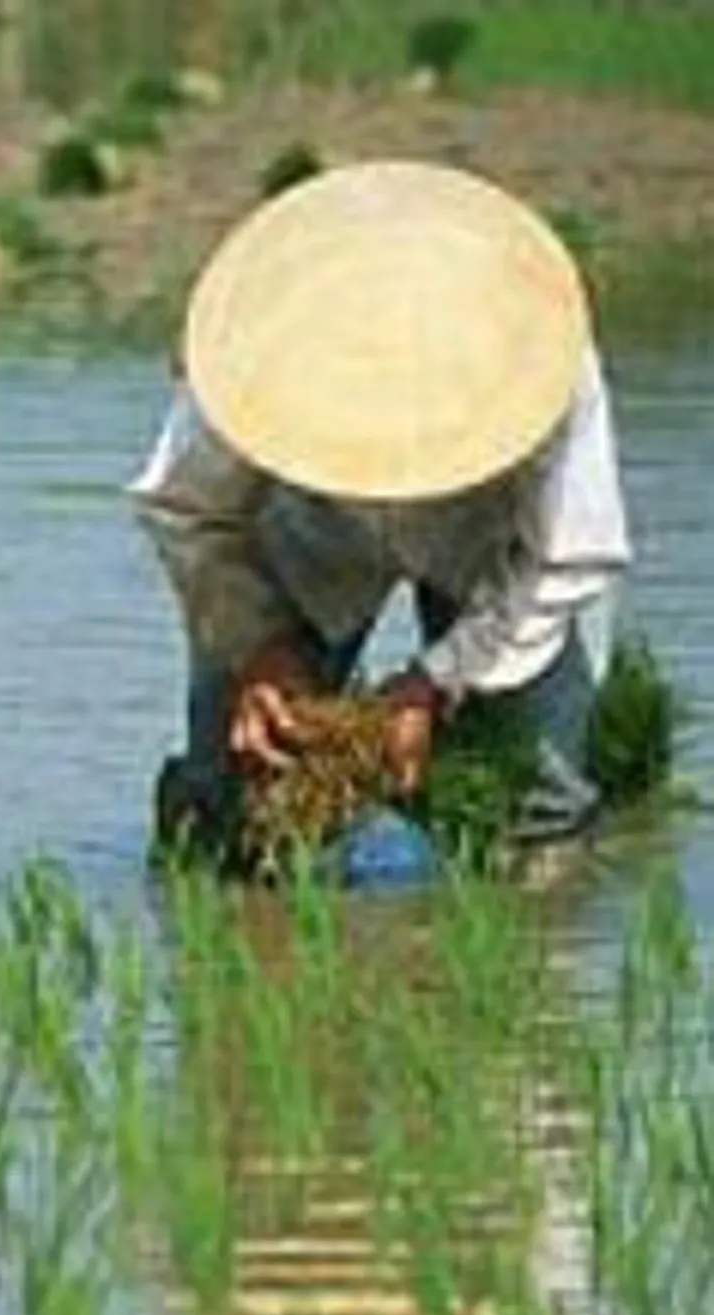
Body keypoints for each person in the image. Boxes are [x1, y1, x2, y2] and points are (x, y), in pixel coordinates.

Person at [132, 160, 630, 859]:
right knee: (229, 803)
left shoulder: (539, 355)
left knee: (540, 799)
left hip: (488, 547)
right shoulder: (255, 347)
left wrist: (435, 682)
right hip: (308, 538)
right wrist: (260, 651)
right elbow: (186, 512)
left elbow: (568, 553)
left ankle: (532, 938)